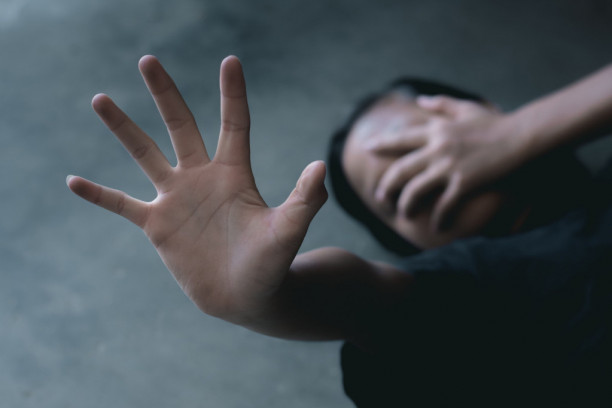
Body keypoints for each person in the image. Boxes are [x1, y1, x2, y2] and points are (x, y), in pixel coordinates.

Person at [67, 56, 612, 407]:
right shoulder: (484, 307)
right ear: (411, 243)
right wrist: (269, 301)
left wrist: (517, 131)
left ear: (478, 111)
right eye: (394, 191)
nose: (423, 171)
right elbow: (374, 301)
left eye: (416, 142)